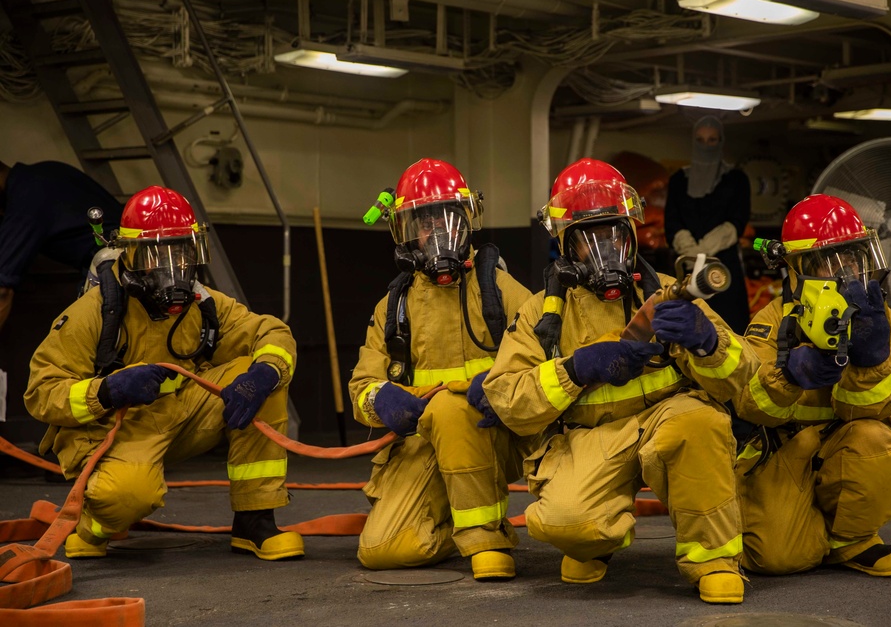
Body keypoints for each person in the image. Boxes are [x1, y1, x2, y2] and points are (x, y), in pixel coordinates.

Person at [482, 158, 759, 603]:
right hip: (590, 439)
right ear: (566, 248)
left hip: (668, 420)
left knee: (699, 424)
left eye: (614, 233)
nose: (606, 249)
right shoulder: (540, 313)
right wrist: (575, 370)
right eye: (589, 240)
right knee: (570, 524)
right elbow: (507, 399)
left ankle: (713, 560)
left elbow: (745, 376)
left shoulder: (668, 293)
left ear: (630, 234)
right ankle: (595, 542)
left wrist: (706, 341)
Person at [24, 185, 303, 561]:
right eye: (156, 255)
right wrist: (106, 391)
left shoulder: (203, 305)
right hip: (120, 429)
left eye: (182, 252)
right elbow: (41, 391)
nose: (173, 270)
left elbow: (272, 332)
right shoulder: (93, 312)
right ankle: (94, 522)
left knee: (262, 373)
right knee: (126, 497)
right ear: (129, 257)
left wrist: (265, 374)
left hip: (182, 415)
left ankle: (254, 520)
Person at [349, 158, 534, 580]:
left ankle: (487, 537)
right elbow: (363, 383)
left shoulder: (501, 291)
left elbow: (544, 362)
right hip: (422, 443)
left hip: (494, 435)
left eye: (446, 219)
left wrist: (502, 388)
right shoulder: (393, 307)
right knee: (384, 551)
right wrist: (381, 399)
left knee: (452, 410)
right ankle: (453, 520)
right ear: (406, 232)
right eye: (423, 223)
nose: (436, 234)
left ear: (467, 222)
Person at [733, 194, 891, 577]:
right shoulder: (770, 323)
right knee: (779, 559)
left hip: (843, 444)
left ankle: (852, 541)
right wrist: (789, 376)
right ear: (796, 270)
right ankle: (805, 529)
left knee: (880, 438)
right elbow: (749, 408)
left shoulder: (886, 324)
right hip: (785, 454)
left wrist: (868, 360)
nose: (847, 270)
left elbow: (871, 410)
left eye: (853, 256)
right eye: (828, 261)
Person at [0, 159, 124, 332]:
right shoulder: (44, 172)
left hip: (112, 268)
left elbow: (2, 290)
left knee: (82, 341)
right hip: (118, 264)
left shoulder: (27, 197)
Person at [663, 116, 751, 333]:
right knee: (683, 328)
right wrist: (691, 256)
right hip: (685, 269)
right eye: (700, 140)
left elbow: (736, 223)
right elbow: (672, 222)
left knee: (728, 329)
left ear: (720, 142)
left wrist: (701, 255)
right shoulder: (678, 180)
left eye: (712, 140)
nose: (706, 145)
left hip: (723, 270)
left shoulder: (737, 179)